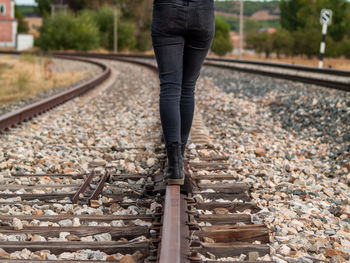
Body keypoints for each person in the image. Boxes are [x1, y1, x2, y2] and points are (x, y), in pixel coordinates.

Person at [151, 0, 215, 185]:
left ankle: (175, 165)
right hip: (202, 13)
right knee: (187, 87)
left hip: (167, 11)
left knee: (170, 86)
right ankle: (179, 157)